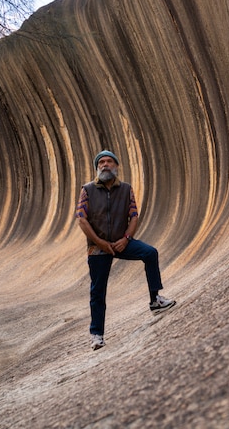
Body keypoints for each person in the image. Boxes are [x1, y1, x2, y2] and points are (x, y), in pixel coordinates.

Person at [75, 150, 176, 350]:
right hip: (98, 247)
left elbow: (134, 216)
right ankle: (97, 335)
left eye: (109, 162)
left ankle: (155, 299)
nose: (105, 165)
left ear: (116, 166)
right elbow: (81, 218)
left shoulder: (126, 189)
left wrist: (126, 238)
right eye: (101, 162)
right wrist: (100, 243)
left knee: (150, 253)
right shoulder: (87, 190)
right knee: (98, 291)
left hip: (123, 242)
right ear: (97, 167)